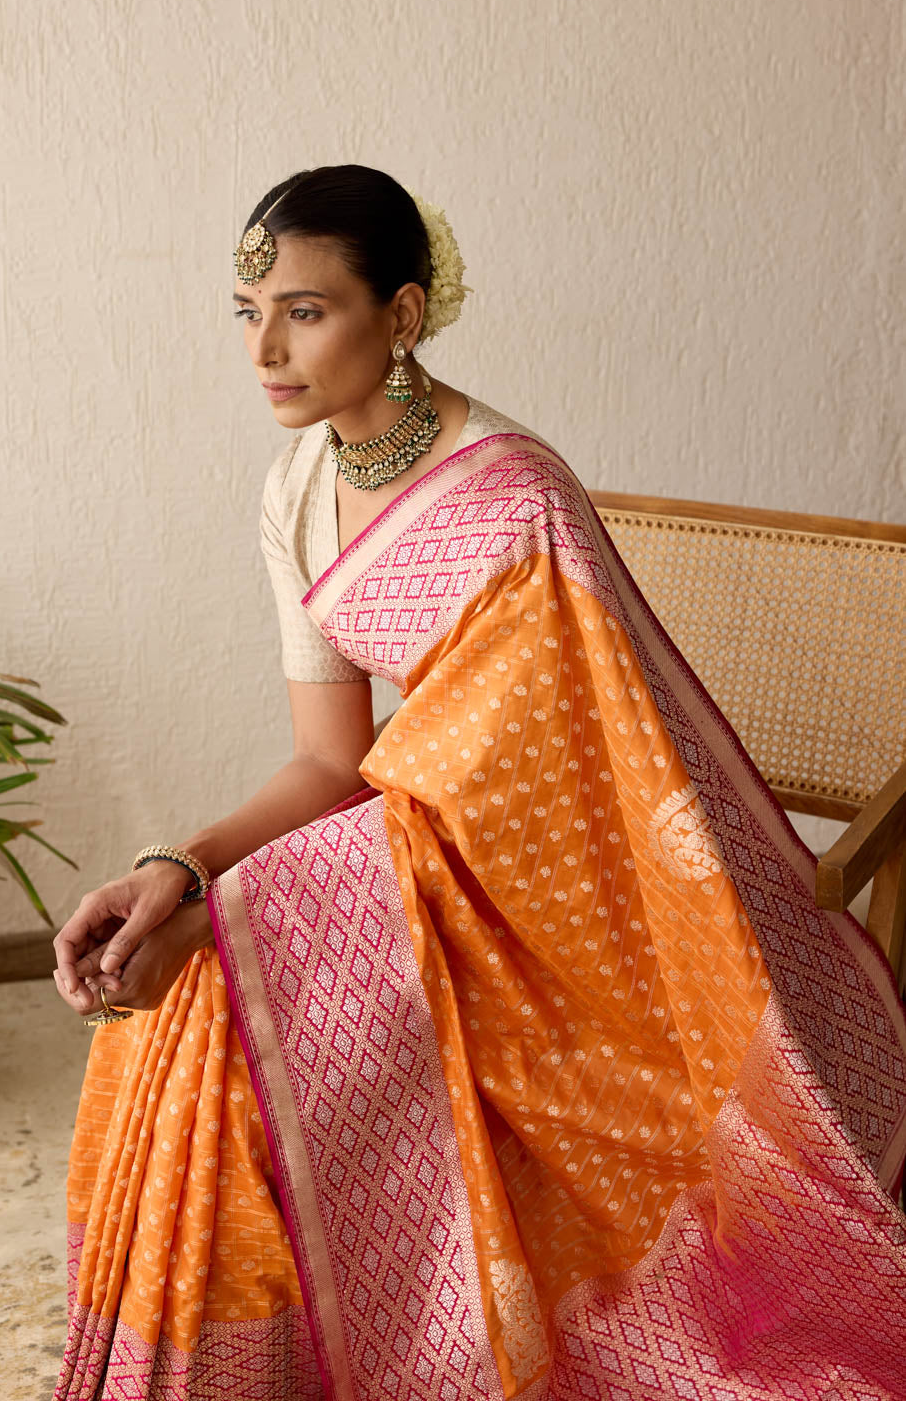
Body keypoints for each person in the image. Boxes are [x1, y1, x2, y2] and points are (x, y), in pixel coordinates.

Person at [50, 165, 906, 1401]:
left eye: (304, 310)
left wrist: (229, 914)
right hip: (430, 860)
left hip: (574, 908)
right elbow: (331, 763)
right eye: (247, 312)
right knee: (190, 998)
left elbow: (543, 800)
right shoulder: (296, 493)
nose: (263, 351)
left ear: (398, 317)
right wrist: (177, 866)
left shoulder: (513, 500)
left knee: (217, 974)